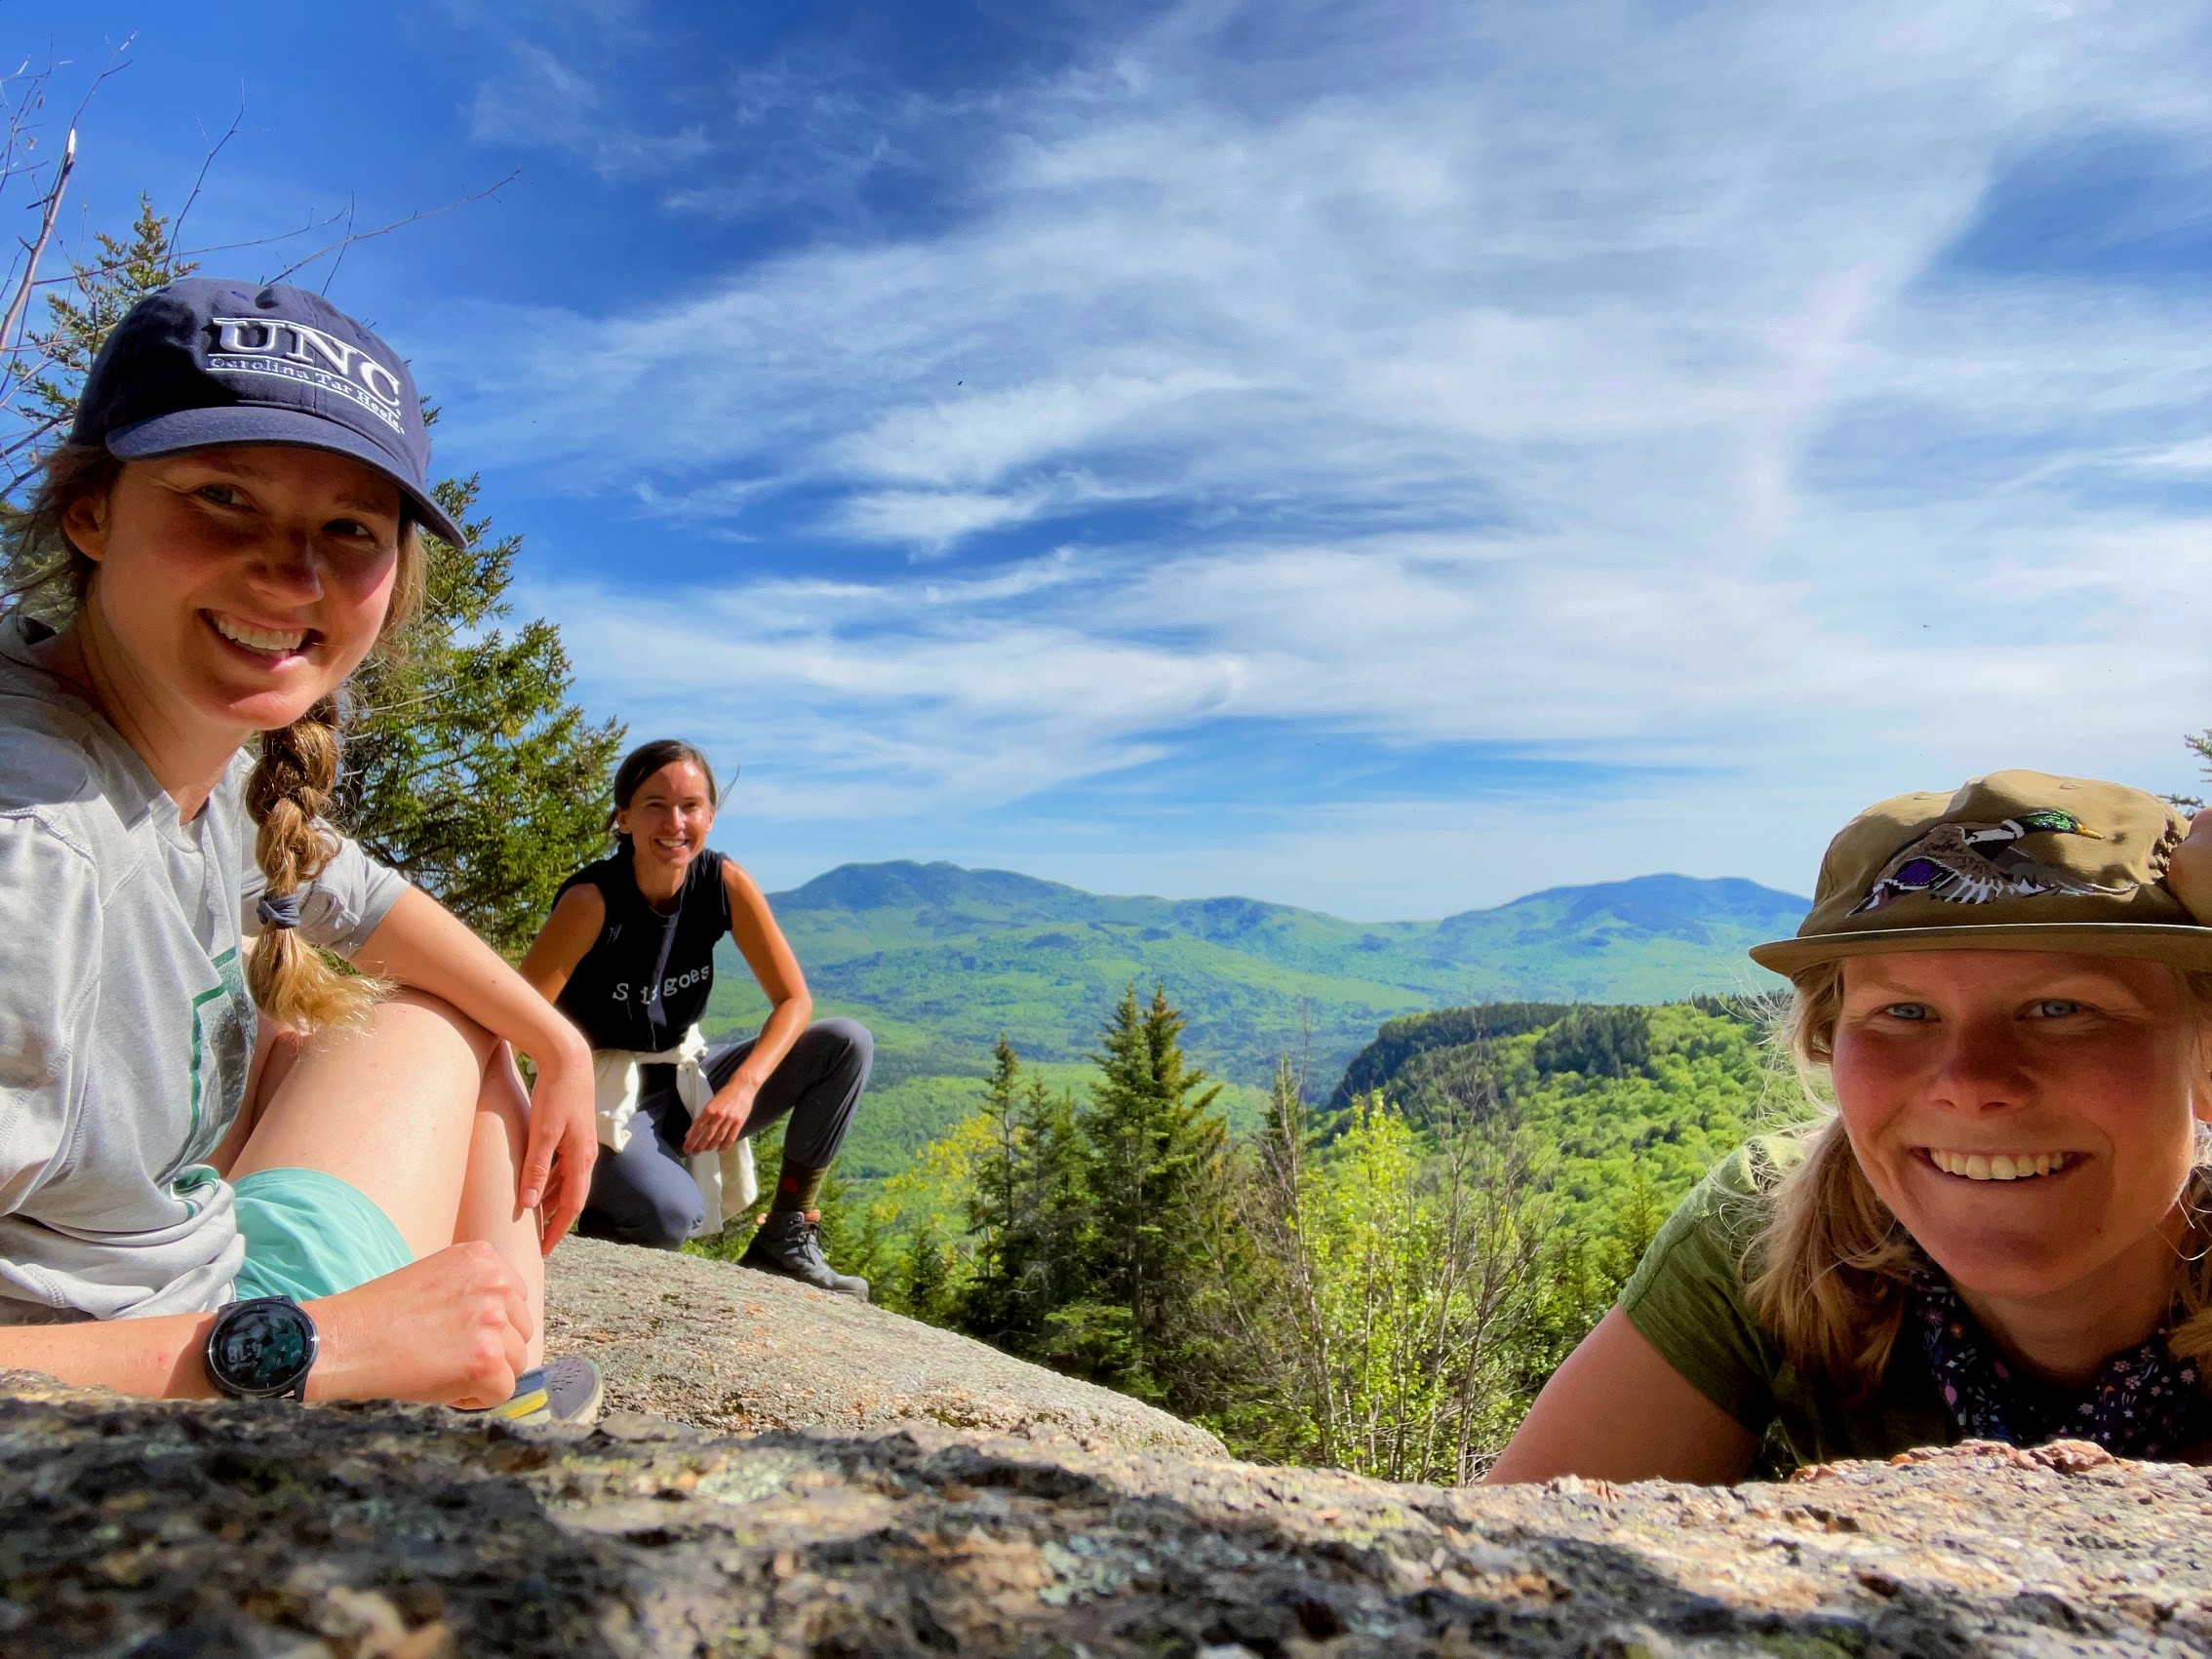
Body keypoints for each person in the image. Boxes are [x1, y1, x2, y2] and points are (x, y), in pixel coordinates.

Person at [0, 278, 601, 1420]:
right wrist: (312, 1348)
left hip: (176, 1295)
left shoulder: (190, 757)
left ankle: (488, 1390)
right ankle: (476, 1419)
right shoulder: (33, 851)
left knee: (429, 1009)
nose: (293, 573)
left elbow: (343, 888)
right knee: (430, 1025)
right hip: (170, 1390)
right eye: (222, 495)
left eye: (349, 530)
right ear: (90, 510)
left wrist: (555, 1039)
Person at [1489, 770, 2212, 1483]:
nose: (1970, 1084)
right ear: (1832, 1043)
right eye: (1905, 1012)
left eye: (2061, 1008)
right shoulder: (1762, 1237)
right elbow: (1504, 1566)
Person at [519, 738, 873, 1298]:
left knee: (845, 1044)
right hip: (604, 1093)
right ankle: (607, 1214)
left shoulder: (721, 883)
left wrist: (744, 1087)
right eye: (655, 805)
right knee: (667, 1215)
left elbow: (793, 1000)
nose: (675, 823)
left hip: (688, 1082)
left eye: (691, 806)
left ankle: (787, 1233)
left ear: (710, 814)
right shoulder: (593, 902)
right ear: (624, 817)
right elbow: (515, 1014)